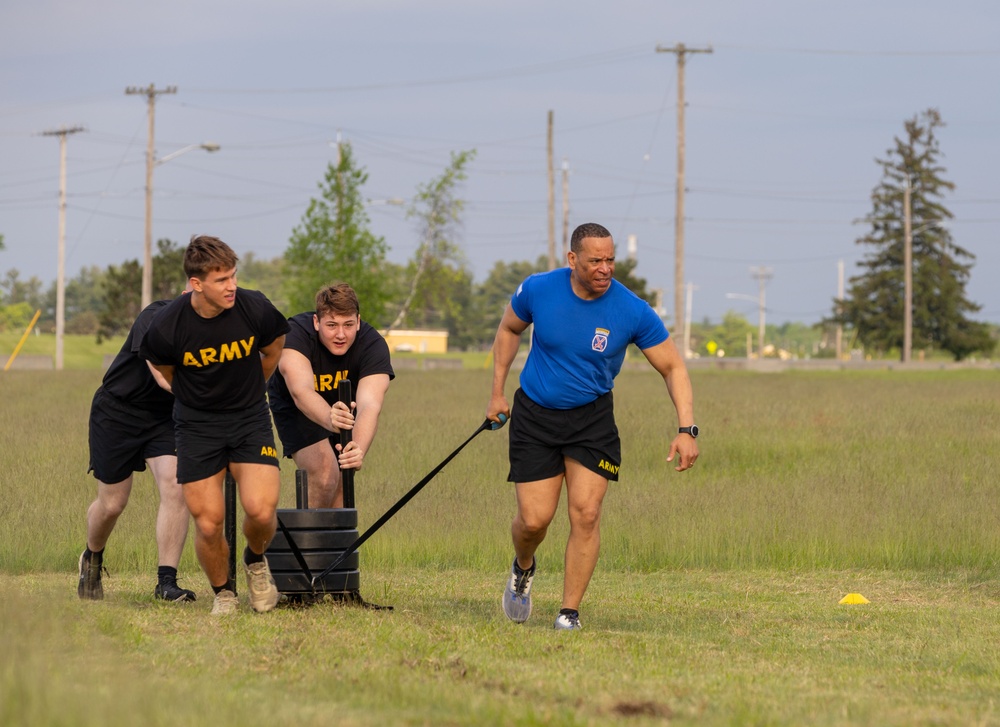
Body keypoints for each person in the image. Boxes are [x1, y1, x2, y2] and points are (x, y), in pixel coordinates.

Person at [485, 222, 699, 631]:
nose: (605, 269)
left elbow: (673, 367)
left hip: (591, 419)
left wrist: (687, 429)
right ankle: (523, 568)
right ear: (572, 260)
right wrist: (497, 393)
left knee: (586, 513)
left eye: (611, 260)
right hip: (535, 414)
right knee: (534, 521)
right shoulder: (538, 290)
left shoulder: (631, 309)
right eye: (595, 260)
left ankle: (569, 612)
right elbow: (509, 329)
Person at [139, 235, 290, 616]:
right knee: (208, 524)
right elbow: (167, 372)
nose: (231, 286)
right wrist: (201, 401)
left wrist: (251, 388)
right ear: (196, 284)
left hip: (249, 419)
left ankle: (255, 561)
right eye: (221, 280)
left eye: (233, 276)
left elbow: (273, 348)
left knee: (260, 509)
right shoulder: (167, 326)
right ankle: (223, 593)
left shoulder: (254, 307)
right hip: (196, 427)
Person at [78, 295, 197, 603]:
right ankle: (92, 557)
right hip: (117, 411)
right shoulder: (156, 316)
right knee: (113, 503)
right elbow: (161, 374)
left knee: (176, 485)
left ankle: (166, 583)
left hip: (164, 418)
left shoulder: (216, 329)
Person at [268, 283, 394, 509]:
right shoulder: (294, 334)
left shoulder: (373, 345)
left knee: (343, 480)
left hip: (345, 409)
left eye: (348, 325)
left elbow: (369, 405)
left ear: (358, 321)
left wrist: (358, 449)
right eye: (331, 325)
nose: (340, 334)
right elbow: (301, 391)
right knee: (325, 475)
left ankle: (335, 545)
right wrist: (329, 417)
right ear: (316, 323)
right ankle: (303, 543)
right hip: (298, 405)